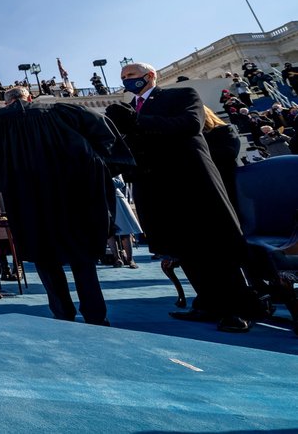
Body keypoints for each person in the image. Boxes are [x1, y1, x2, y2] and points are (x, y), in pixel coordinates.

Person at [106, 62, 266, 333]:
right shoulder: (130, 110)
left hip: (191, 182)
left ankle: (238, 309)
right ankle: (208, 303)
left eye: (131, 75)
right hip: (157, 187)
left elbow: (190, 125)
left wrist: (136, 121)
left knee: (214, 246)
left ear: (150, 75)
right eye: (123, 77)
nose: (126, 80)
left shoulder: (181, 95)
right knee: (184, 247)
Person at [0, 87, 129, 323]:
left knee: (44, 256)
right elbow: (103, 129)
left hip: (28, 197)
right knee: (83, 257)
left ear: (5, 103)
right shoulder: (62, 110)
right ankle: (95, 315)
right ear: (30, 97)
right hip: (72, 193)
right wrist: (108, 166)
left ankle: (62, 313)